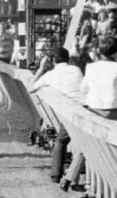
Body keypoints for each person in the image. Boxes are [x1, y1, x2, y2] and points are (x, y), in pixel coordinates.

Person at [28, 47, 86, 184]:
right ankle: (68, 176)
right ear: (68, 59)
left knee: (61, 141)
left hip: (70, 113)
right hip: (85, 109)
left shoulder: (50, 75)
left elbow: (31, 88)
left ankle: (57, 175)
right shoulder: (76, 70)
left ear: (53, 61)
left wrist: (41, 69)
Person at [80, 36, 117, 121]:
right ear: (116, 51)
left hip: (93, 107)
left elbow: (83, 89)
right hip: (113, 109)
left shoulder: (90, 67)